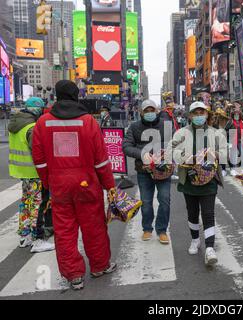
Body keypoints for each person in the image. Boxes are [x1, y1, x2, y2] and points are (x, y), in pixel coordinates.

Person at [32, 80, 117, 290]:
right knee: (94, 227)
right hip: (87, 184)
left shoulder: (43, 123)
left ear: (57, 96)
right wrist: (110, 185)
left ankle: (74, 276)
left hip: (59, 186)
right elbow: (101, 160)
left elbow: (40, 160)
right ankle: (99, 266)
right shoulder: (88, 121)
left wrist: (48, 182)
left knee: (65, 231)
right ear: (75, 96)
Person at [166, 101, 227, 266]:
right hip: (189, 179)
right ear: (190, 116)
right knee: (192, 213)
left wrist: (213, 154)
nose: (199, 116)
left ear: (207, 115)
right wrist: (187, 157)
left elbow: (224, 153)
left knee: (208, 213)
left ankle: (209, 247)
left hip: (210, 179)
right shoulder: (181, 133)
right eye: (195, 113)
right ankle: (195, 240)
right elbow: (170, 150)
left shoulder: (216, 133)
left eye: (202, 113)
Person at [8, 97, 55, 253]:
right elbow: (38, 153)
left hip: (22, 173)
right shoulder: (32, 127)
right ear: (37, 110)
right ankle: (37, 239)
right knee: (37, 206)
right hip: (34, 173)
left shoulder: (16, 125)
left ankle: (25, 236)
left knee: (26, 205)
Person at [122, 99, 172, 244]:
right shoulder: (134, 126)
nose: (150, 113)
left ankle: (162, 230)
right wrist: (142, 154)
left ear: (157, 111)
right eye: (146, 111)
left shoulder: (166, 125)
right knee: (146, 201)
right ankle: (147, 229)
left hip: (163, 169)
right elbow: (126, 146)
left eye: (152, 110)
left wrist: (162, 153)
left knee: (164, 200)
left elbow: (175, 143)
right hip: (144, 171)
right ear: (141, 112)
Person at [225, 102, 243, 175]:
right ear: (233, 115)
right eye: (235, 114)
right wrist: (230, 134)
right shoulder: (230, 122)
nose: (236, 115)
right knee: (233, 155)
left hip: (241, 141)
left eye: (238, 114)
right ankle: (233, 169)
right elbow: (225, 131)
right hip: (233, 141)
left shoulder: (242, 122)